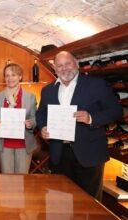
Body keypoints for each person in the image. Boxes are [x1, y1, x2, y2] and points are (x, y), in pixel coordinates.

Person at [36, 51, 123, 199]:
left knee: (89, 202)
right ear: (55, 69)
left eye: (68, 63)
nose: (64, 68)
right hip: (60, 153)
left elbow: (116, 111)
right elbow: (41, 114)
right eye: (60, 66)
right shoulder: (48, 90)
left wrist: (91, 118)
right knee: (60, 199)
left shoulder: (96, 85)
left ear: (76, 63)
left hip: (89, 153)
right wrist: (43, 127)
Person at [0, 63, 37, 174]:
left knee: (22, 180)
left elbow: (34, 117)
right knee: (7, 181)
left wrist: (30, 123)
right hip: (4, 144)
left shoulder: (30, 96)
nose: (10, 78)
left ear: (20, 77)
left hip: (24, 144)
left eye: (13, 75)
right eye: (7, 76)